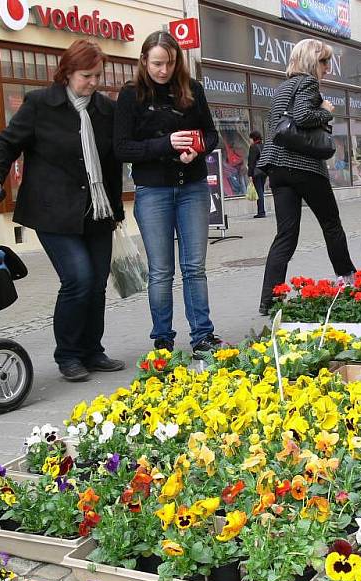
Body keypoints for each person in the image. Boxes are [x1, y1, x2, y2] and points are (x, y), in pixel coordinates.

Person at [0, 39, 125, 382]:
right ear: (67, 72)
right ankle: (68, 355)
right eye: (86, 76)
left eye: (97, 76)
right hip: (53, 210)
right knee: (78, 279)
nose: (93, 83)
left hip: (98, 210)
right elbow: (7, 143)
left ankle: (92, 350)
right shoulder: (40, 105)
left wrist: (117, 207)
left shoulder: (105, 109)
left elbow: (116, 159)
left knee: (97, 284)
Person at [114, 31, 222, 356]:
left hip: (192, 187)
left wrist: (197, 149)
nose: (163, 71)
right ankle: (162, 340)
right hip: (153, 191)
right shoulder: (131, 95)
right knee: (161, 270)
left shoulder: (193, 91)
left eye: (170, 63)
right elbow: (121, 147)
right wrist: (167, 144)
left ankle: (202, 335)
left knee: (194, 267)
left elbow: (212, 135)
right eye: (157, 63)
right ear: (144, 61)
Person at [256, 38, 356, 315]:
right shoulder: (308, 84)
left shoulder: (281, 89)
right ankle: (349, 281)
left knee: (285, 235)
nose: (328, 68)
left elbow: (278, 127)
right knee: (331, 224)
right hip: (305, 168)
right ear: (313, 62)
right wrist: (325, 111)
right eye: (324, 61)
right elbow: (301, 117)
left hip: (277, 169)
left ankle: (269, 299)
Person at [248, 130, 267, 218]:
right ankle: (261, 210)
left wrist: (250, 174)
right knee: (261, 191)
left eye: (250, 138)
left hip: (256, 172)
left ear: (253, 138)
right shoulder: (264, 146)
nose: (249, 140)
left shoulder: (253, 147)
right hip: (264, 171)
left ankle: (261, 211)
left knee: (259, 192)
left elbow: (251, 162)